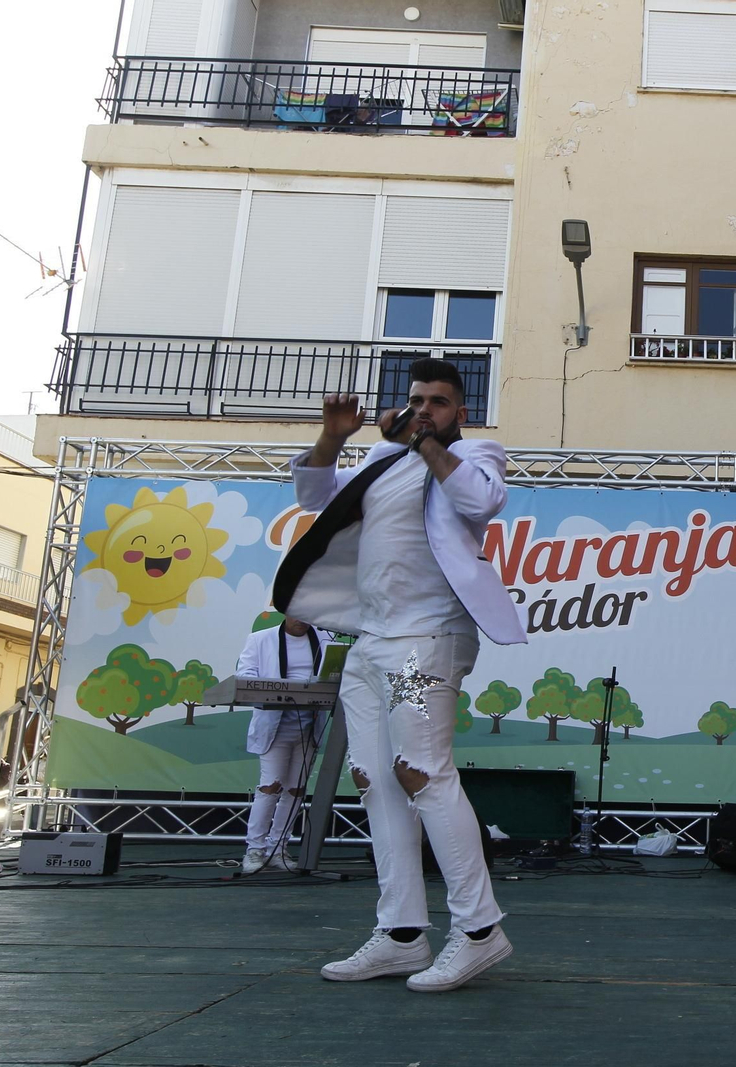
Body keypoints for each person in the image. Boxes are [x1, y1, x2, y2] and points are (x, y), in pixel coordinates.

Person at [273, 357, 526, 994]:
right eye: (416, 400)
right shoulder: (382, 462)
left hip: (424, 640)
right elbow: (314, 500)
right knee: (374, 779)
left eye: (437, 402)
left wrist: (427, 442)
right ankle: (402, 935)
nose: (423, 410)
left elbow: (480, 498)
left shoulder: (476, 455)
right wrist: (334, 438)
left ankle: (477, 931)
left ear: (460, 412)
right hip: (369, 643)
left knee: (421, 772)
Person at [235, 615, 330, 874]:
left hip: (310, 725)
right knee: (270, 786)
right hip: (275, 726)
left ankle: (278, 848)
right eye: (297, 614)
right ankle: (254, 850)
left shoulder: (325, 639)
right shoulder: (260, 639)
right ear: (286, 612)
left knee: (296, 789)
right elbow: (245, 676)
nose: (302, 620)